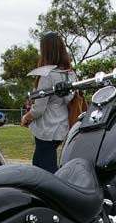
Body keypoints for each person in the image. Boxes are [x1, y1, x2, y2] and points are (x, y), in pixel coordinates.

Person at [21, 32, 76, 173]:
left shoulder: (47, 75)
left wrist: (26, 117)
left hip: (46, 128)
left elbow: (39, 109)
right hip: (62, 125)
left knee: (44, 168)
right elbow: (69, 98)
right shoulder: (69, 74)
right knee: (44, 163)